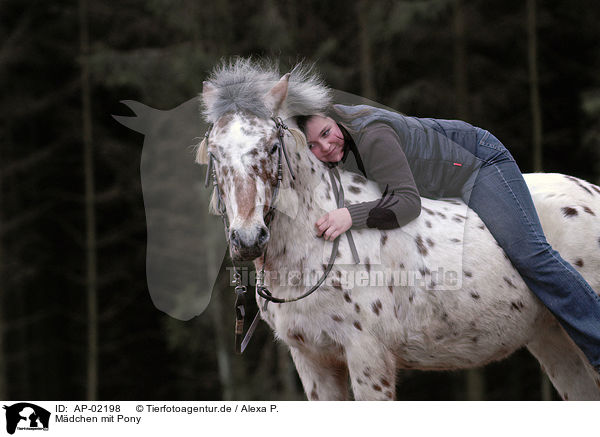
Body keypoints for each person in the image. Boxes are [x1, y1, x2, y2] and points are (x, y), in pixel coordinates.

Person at [295, 104, 600, 373]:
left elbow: (407, 204)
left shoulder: (373, 136)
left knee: (531, 254)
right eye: (312, 145)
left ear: (335, 118)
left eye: (325, 133)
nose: (324, 147)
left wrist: (351, 215)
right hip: (442, 184)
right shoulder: (341, 150)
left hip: (477, 164)